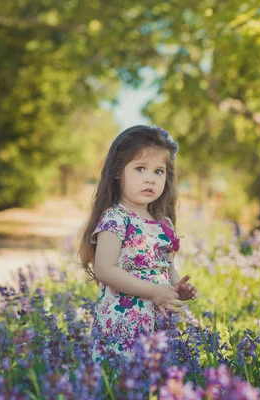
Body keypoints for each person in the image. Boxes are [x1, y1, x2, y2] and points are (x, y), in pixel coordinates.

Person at [78, 124, 198, 363]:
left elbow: (166, 267)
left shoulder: (164, 223)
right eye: (140, 169)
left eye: (158, 172)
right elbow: (105, 269)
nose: (150, 179)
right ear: (117, 171)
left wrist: (177, 287)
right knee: (123, 380)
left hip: (158, 322)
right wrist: (153, 290)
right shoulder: (116, 218)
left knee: (154, 380)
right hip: (124, 323)